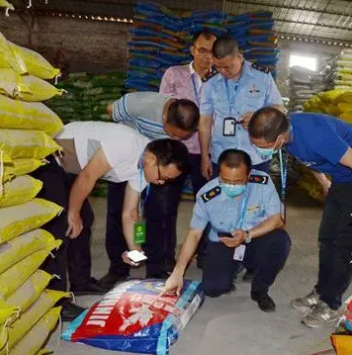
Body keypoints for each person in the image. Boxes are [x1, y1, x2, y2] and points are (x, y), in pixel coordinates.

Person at [33, 121, 189, 320]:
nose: (161, 183)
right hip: (52, 158)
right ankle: (57, 302)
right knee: (61, 223)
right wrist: (72, 213)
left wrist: (136, 251)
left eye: (166, 180)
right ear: (151, 158)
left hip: (73, 169)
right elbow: (88, 177)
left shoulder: (142, 171)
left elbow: (131, 214)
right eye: (162, 177)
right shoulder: (126, 144)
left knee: (85, 219)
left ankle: (80, 282)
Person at [248, 108, 352, 327]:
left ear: (280, 138)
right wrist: (323, 182)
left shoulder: (316, 135)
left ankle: (330, 303)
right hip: (340, 179)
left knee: (346, 246)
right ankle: (321, 291)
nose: (258, 149)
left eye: (261, 145)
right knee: (327, 238)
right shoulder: (286, 134)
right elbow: (308, 159)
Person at [161, 149, 291, 312]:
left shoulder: (262, 183)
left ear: (249, 175)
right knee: (213, 288)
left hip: (254, 236)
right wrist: (177, 273)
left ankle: (260, 288)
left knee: (280, 241)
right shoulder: (207, 194)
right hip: (224, 240)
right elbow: (194, 234)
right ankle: (233, 266)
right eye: (225, 180)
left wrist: (247, 235)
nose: (231, 186)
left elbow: (277, 220)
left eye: (237, 182)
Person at [101, 95, 199, 289]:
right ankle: (118, 268)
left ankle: (157, 268)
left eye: (182, 137)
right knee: (119, 212)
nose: (176, 139)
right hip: (130, 162)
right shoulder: (141, 103)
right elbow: (111, 109)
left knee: (161, 214)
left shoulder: (175, 136)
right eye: (174, 134)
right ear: (164, 118)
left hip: (162, 168)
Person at [159, 30, 218, 269]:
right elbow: (163, 111)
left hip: (206, 153)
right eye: (203, 50)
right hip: (175, 150)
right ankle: (165, 256)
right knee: (166, 204)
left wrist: (208, 155)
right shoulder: (175, 74)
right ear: (193, 50)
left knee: (207, 205)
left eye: (212, 52)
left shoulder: (219, 81)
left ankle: (204, 254)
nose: (207, 57)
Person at [198, 36, 285, 180]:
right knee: (222, 201)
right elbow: (204, 122)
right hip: (221, 156)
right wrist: (204, 157)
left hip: (256, 157)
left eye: (227, 67)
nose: (223, 72)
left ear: (239, 57)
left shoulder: (262, 77)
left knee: (255, 201)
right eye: (217, 67)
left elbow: (279, 108)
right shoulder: (210, 83)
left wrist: (259, 117)